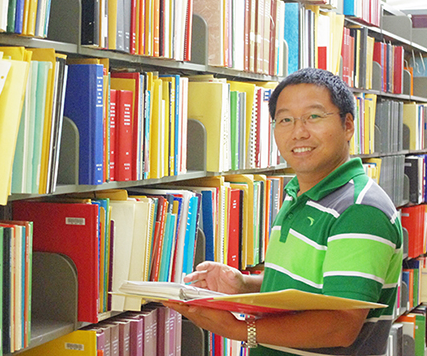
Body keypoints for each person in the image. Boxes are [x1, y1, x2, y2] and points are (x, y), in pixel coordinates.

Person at [164, 68, 403, 355]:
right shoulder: (297, 194)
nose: (299, 132)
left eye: (314, 116)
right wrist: (243, 285)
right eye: (285, 120)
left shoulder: (360, 209)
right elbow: (306, 289)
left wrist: (236, 329)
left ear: (348, 125)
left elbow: (340, 326)